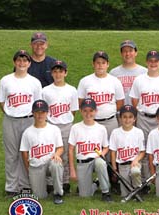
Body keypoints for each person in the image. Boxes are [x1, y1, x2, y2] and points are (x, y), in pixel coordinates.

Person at [0, 50, 42, 198]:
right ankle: (11, 186)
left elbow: (37, 104)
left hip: (29, 119)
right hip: (11, 120)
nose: (22, 63)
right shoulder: (5, 80)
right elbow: (1, 101)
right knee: (11, 154)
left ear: (29, 63)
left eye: (25, 60)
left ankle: (25, 185)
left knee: (26, 153)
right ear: (14, 62)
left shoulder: (35, 82)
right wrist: (10, 113)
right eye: (19, 60)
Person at [129, 50, 159, 191]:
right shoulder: (139, 80)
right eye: (150, 60)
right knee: (143, 149)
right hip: (143, 117)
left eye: (156, 61)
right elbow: (135, 101)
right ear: (146, 62)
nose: (153, 63)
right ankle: (144, 182)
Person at [42, 60, 79, 194]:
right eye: (55, 71)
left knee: (64, 155)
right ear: (51, 73)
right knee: (50, 153)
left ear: (65, 73)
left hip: (66, 125)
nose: (58, 74)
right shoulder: (45, 91)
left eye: (61, 71)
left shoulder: (72, 90)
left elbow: (73, 110)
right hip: (51, 125)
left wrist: (65, 120)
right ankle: (50, 182)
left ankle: (65, 181)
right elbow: (44, 111)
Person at [68, 98, 113, 202]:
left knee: (100, 163)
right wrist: (72, 170)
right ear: (81, 111)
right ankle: (95, 183)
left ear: (96, 111)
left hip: (95, 159)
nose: (88, 114)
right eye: (85, 111)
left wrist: (102, 153)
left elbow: (106, 147)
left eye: (91, 111)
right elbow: (70, 149)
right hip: (82, 162)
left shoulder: (101, 128)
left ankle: (106, 192)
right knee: (85, 196)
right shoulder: (75, 128)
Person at [20, 100, 64, 204]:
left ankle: (58, 193)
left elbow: (60, 148)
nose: (40, 115)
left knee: (56, 164)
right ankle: (46, 187)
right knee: (40, 197)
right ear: (33, 113)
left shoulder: (54, 129)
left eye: (43, 112)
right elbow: (24, 153)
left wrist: (57, 154)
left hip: (50, 163)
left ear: (47, 113)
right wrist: (28, 169)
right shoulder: (27, 132)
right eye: (37, 112)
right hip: (36, 166)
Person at [77, 51, 125, 138]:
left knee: (111, 149)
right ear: (93, 64)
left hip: (110, 121)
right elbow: (81, 103)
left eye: (103, 63)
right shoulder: (85, 81)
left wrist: (108, 111)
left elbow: (120, 103)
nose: (100, 65)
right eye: (98, 63)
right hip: (91, 121)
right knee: (93, 148)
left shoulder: (115, 81)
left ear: (108, 64)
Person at [109, 105, 145, 197]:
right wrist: (114, 167)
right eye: (124, 117)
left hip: (134, 164)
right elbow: (113, 151)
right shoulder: (115, 132)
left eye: (130, 117)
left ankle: (138, 190)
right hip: (122, 165)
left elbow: (142, 152)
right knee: (125, 194)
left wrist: (136, 160)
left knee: (135, 172)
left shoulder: (138, 132)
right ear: (120, 118)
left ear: (135, 119)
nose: (127, 120)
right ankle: (133, 193)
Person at [109, 40, 147, 105]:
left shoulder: (144, 72)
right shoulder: (113, 73)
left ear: (136, 53)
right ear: (121, 54)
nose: (127, 54)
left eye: (130, 51)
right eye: (124, 51)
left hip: (139, 112)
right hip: (120, 113)